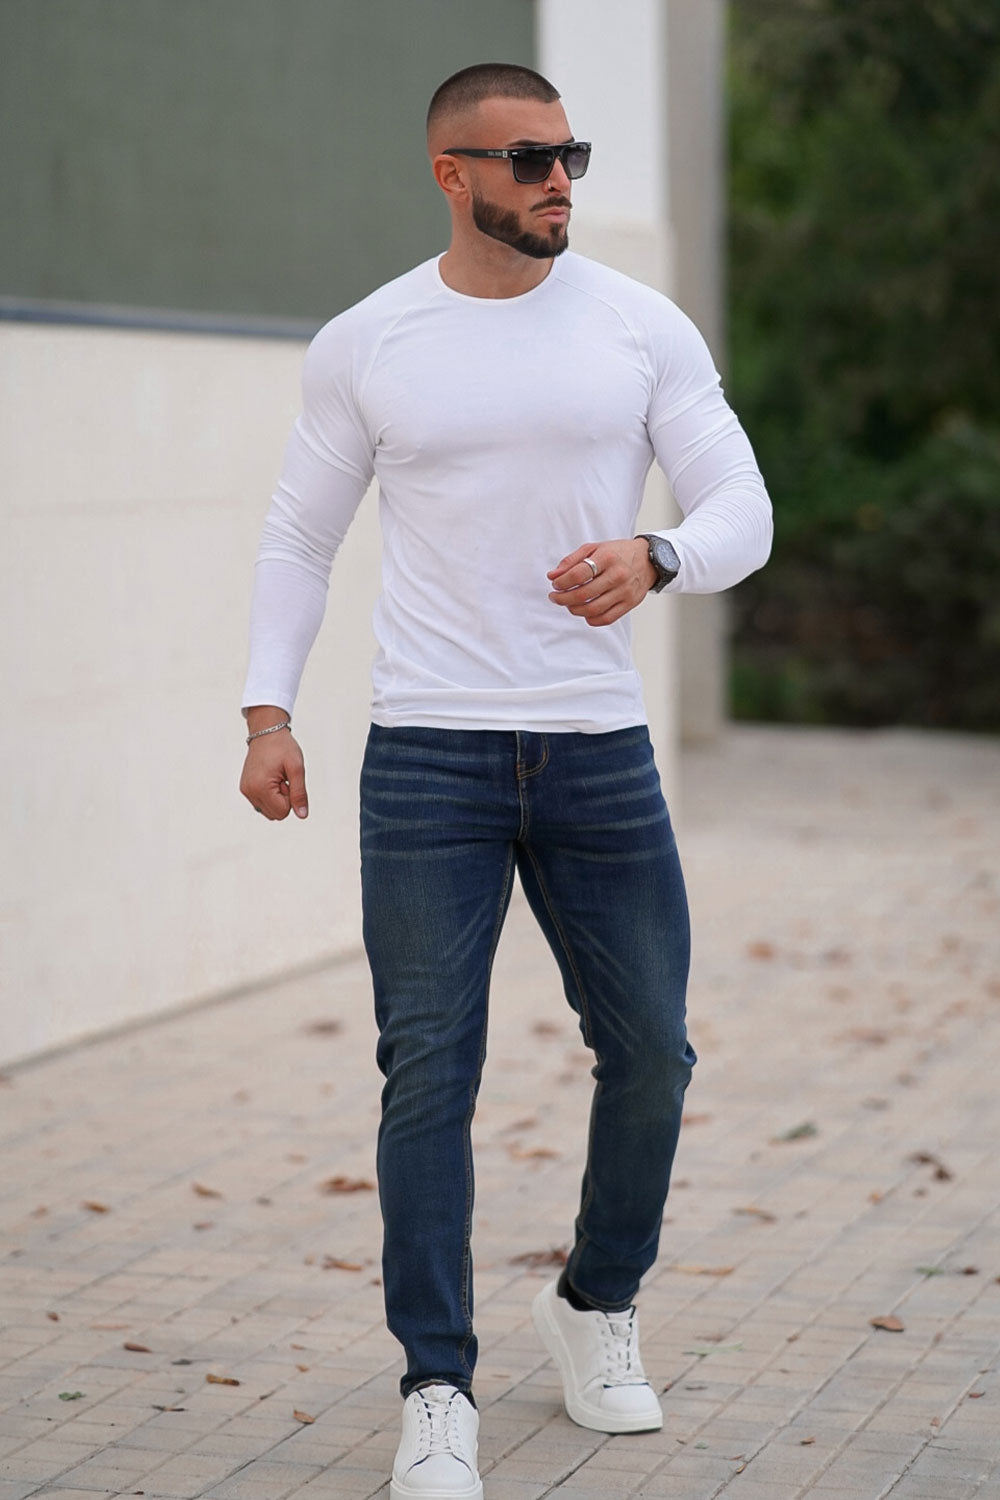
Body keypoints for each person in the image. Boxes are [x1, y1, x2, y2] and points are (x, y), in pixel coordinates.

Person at [240, 61, 771, 1500]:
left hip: (598, 751)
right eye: (527, 158)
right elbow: (299, 540)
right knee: (429, 1070)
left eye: (570, 155)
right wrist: (267, 713)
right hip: (428, 755)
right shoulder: (369, 342)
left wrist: (660, 554)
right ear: (451, 175)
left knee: (652, 1052)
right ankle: (437, 1386)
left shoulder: (639, 328)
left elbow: (742, 505)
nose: (557, 180)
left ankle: (597, 1300)